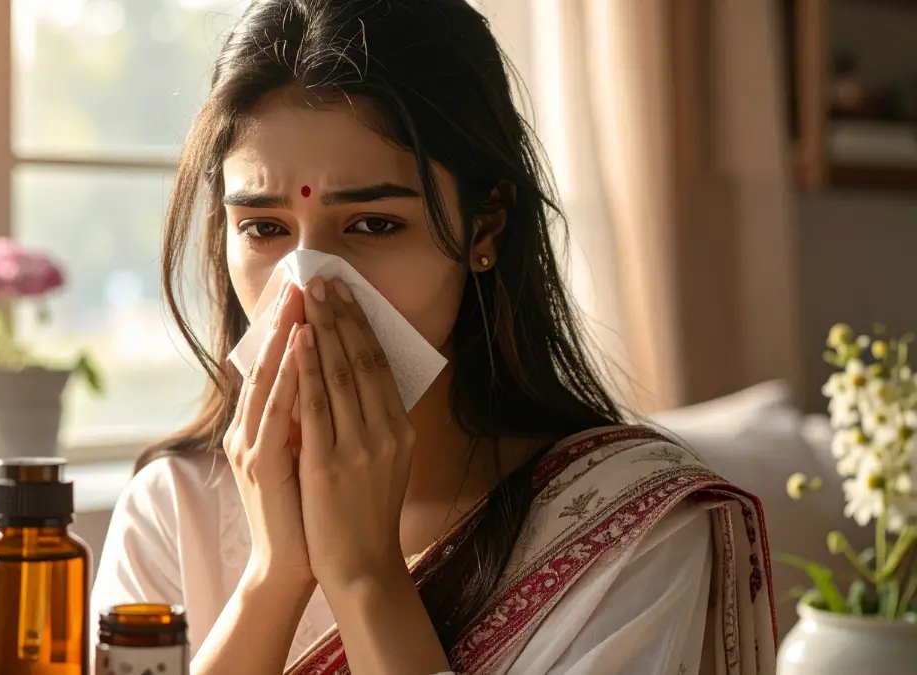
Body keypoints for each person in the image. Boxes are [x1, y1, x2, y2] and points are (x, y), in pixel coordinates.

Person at [91, 0, 778, 673]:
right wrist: (272, 579)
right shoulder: (173, 508)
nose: (305, 288)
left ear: (484, 229)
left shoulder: (631, 528)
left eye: (373, 225)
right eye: (264, 229)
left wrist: (366, 579)